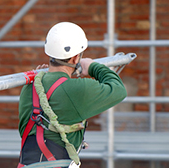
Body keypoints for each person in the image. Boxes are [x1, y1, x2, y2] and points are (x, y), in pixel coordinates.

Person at [18, 22, 127, 167]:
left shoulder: (30, 87)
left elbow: (24, 129)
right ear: (76, 58)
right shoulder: (77, 89)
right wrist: (93, 67)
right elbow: (119, 90)